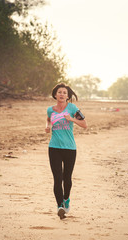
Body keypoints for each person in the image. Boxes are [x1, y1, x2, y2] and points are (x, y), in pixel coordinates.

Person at [45, 83, 87, 219]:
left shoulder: (72, 108)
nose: (62, 94)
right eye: (59, 92)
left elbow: (84, 125)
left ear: (68, 96)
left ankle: (66, 199)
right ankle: (60, 207)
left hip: (70, 148)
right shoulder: (50, 110)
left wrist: (72, 119)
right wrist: (47, 126)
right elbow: (48, 120)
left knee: (66, 178)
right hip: (54, 148)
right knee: (57, 179)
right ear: (55, 95)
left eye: (64, 92)